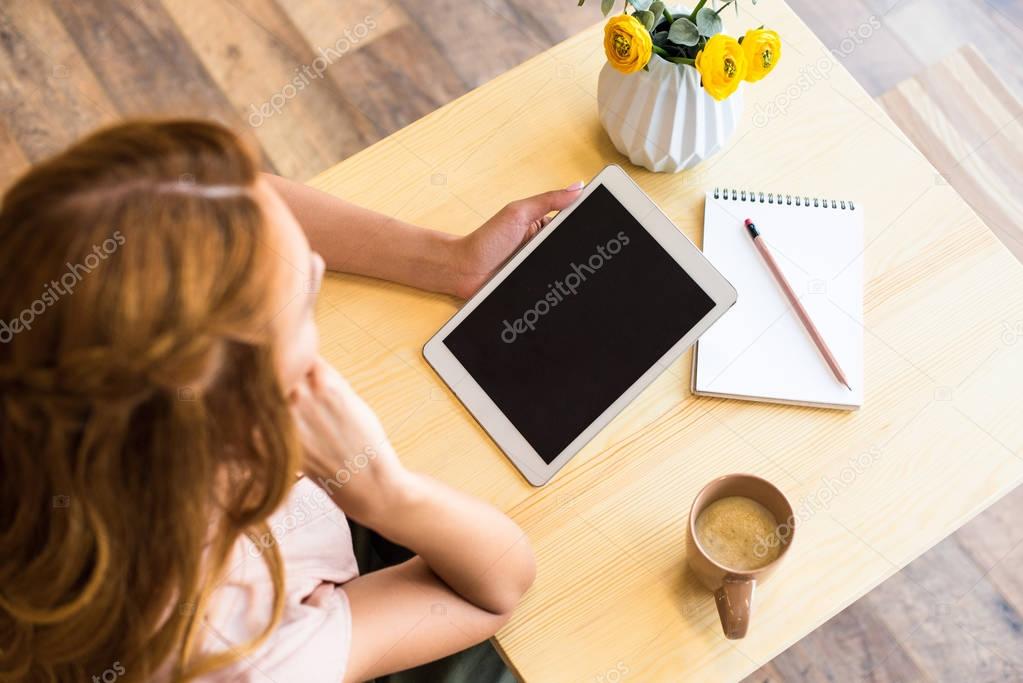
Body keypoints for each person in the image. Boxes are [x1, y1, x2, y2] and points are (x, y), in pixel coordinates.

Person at [0, 120, 584, 682]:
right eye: (300, 296)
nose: (316, 263)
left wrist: (446, 261)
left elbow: (217, 198)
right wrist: (387, 493)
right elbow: (495, 590)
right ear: (248, 422)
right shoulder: (250, 652)